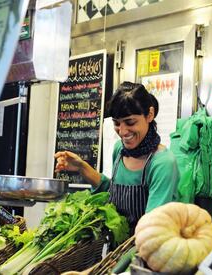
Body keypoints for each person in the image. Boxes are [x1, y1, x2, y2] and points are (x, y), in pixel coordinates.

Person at [55, 81, 179, 230]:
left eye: (130, 122)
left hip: (148, 248)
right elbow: (112, 191)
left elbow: (153, 228)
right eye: (117, 123)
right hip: (118, 249)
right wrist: (81, 167)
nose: (122, 131)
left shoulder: (162, 163)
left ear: (149, 115)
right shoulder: (119, 150)